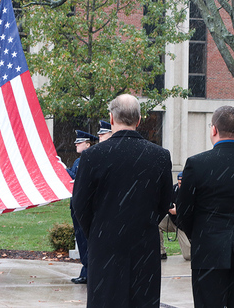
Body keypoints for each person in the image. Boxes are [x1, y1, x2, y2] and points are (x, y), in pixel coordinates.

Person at [72, 94, 173, 307]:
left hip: (105, 246)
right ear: (138, 120)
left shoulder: (93, 157)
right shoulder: (159, 156)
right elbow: (165, 202)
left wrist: (99, 231)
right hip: (143, 246)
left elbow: (80, 204)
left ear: (111, 119)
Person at [177, 105, 234, 307]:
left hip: (208, 250)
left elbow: (184, 211)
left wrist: (200, 233)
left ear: (214, 129)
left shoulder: (197, 164)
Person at [67, 130, 98, 285]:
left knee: (85, 241)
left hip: (84, 206)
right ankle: (86, 271)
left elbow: (76, 178)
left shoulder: (88, 160)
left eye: (79, 142)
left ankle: (88, 272)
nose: (76, 144)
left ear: (88, 144)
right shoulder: (79, 161)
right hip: (77, 205)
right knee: (81, 240)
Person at [158, 171, 191, 261]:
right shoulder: (173, 190)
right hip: (173, 221)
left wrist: (179, 211)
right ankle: (161, 252)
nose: (181, 185)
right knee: (157, 223)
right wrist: (169, 208)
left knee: (188, 256)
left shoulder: (193, 191)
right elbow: (163, 202)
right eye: (180, 183)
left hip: (185, 225)